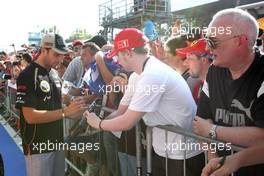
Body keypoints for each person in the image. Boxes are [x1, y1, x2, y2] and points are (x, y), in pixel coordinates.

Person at [85, 28, 204, 176]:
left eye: (118, 56)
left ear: (128, 53)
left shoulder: (153, 74)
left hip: (183, 153)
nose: (117, 61)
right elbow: (121, 111)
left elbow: (127, 121)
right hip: (164, 149)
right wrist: (98, 122)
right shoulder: (138, 74)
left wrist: (99, 124)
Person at [192, 8, 264, 175]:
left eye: (213, 42)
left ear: (239, 41)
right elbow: (200, 122)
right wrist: (213, 160)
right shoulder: (214, 71)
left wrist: (213, 131)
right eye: (207, 41)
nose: (208, 48)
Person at [15, 34, 86, 176]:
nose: (60, 59)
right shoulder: (28, 75)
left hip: (57, 142)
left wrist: (74, 102)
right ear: (44, 50)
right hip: (37, 146)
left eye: (62, 55)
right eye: (56, 54)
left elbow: (59, 97)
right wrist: (66, 112)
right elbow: (30, 116)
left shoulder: (54, 73)